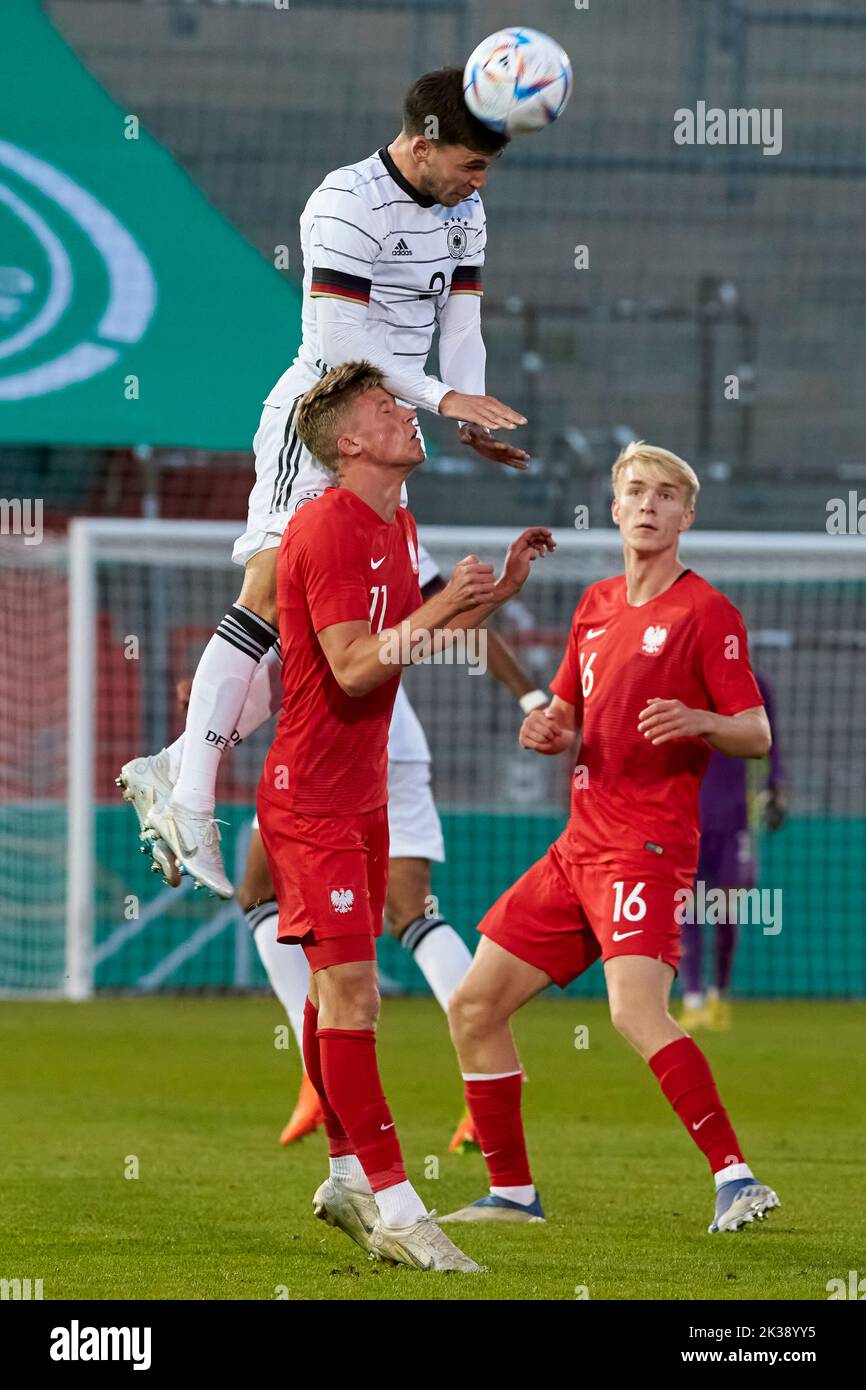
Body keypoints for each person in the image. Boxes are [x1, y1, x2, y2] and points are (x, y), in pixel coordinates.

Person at [118, 66, 530, 900]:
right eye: (471, 165)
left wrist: (468, 413)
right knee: (267, 592)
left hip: (389, 425)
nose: (479, 184)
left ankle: (173, 765)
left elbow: (462, 319)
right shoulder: (343, 201)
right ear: (422, 143)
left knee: (327, 638)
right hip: (323, 419)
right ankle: (191, 798)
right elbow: (340, 333)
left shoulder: (466, 210)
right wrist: (443, 394)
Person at [443, 440, 781, 1236]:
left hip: (648, 847)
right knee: (474, 1005)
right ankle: (513, 1196)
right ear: (616, 504)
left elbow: (757, 731)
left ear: (686, 515)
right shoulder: (593, 605)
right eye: (635, 491)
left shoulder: (707, 613)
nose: (649, 505)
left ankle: (737, 1178)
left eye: (667, 494)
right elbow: (565, 714)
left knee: (634, 1013)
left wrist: (701, 720)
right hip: (577, 849)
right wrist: (548, 729)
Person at [258, 358, 553, 1269]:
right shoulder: (327, 528)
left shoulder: (398, 523)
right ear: (351, 442)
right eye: (389, 407)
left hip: (362, 788)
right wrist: (447, 606)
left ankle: (346, 1176)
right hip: (310, 796)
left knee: (335, 989)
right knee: (355, 993)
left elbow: (409, 642)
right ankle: (395, 1204)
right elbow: (352, 666)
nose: (409, 416)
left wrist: (488, 595)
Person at [679, 671, 786, 1030]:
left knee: (726, 906)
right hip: (687, 813)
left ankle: (718, 996)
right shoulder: (680, 681)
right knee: (689, 905)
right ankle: (693, 999)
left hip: (737, 816)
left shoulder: (755, 684)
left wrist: (776, 787)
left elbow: (773, 744)